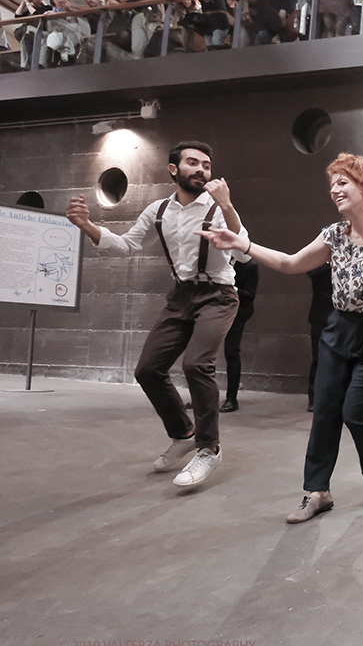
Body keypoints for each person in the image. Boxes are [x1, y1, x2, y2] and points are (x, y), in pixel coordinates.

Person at [199, 153, 363, 523]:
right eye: (331, 184)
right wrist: (242, 244)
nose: (334, 190)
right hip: (339, 331)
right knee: (325, 413)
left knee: (356, 412)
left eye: (342, 182)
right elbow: (289, 263)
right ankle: (317, 492)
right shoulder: (333, 235)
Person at [65, 141, 249, 490]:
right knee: (148, 370)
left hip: (218, 296)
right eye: (193, 163)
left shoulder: (219, 206)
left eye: (207, 166)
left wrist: (226, 205)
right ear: (173, 169)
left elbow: (244, 253)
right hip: (181, 295)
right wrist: (87, 226)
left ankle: (208, 448)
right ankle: (183, 432)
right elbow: (128, 245)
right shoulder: (159, 210)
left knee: (197, 365)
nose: (201, 170)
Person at [220, 259, 259, 412]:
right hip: (215, 308)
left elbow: (250, 296)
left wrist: (230, 288)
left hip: (238, 312)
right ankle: (201, 396)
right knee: (203, 353)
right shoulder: (219, 259)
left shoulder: (250, 265)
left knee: (231, 352)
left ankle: (231, 399)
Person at [306, 263, 334, 412]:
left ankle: (337, 397)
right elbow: (311, 271)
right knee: (318, 359)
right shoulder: (320, 263)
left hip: (342, 317)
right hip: (320, 315)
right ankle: (314, 399)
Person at [13, 0, 49, 69]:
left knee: (35, 56)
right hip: (29, 35)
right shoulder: (29, 9)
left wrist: (28, 4)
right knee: (29, 55)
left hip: (41, 36)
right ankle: (29, 68)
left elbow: (36, 15)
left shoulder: (47, 7)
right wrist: (23, 2)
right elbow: (17, 16)